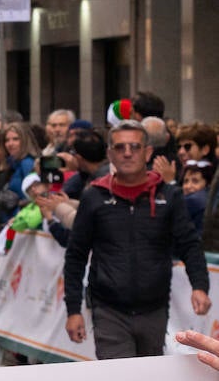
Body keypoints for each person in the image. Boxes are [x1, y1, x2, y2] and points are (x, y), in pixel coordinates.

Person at [63, 119, 211, 358]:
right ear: (110, 154)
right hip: (108, 309)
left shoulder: (169, 195)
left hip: (154, 309)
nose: (128, 153)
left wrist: (200, 286)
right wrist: (73, 310)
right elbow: (76, 255)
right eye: (120, 148)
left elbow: (189, 244)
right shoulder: (94, 197)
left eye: (135, 147)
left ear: (148, 152)